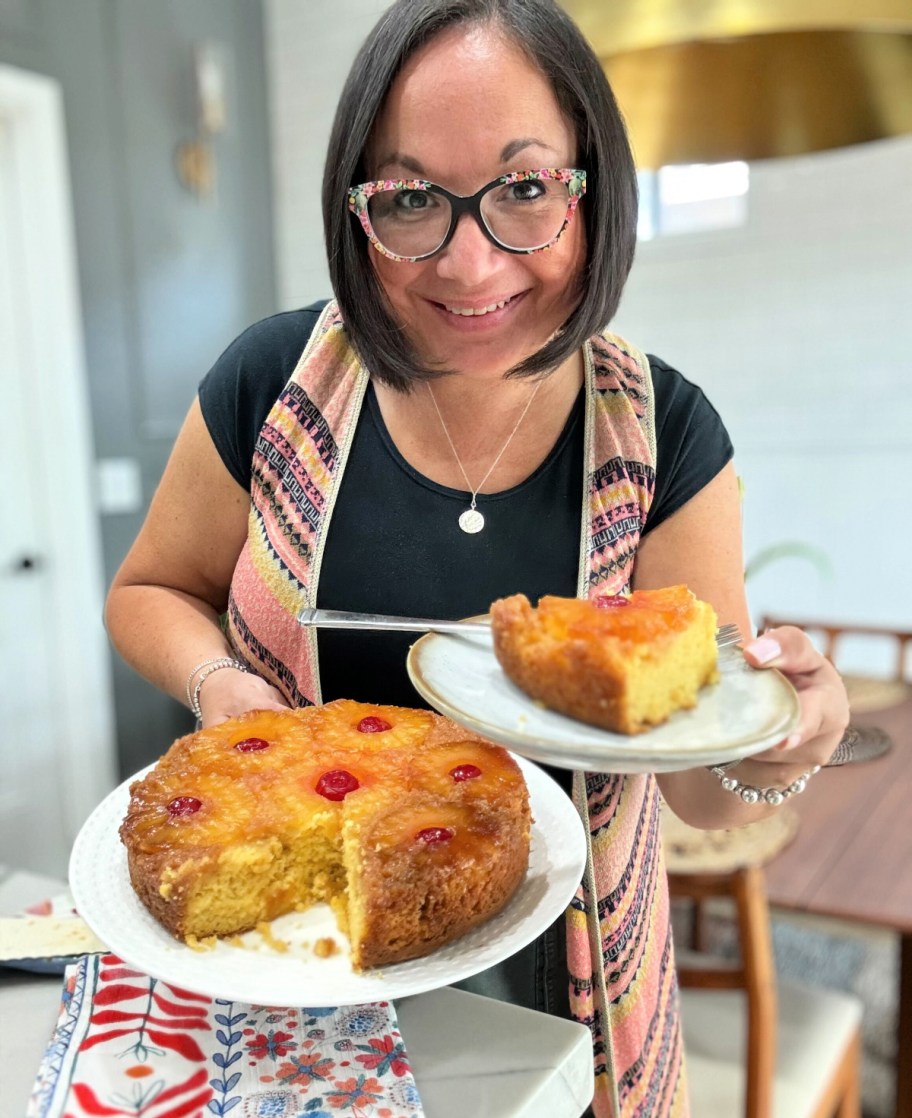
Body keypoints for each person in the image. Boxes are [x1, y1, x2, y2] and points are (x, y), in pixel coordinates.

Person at [105, 1, 850, 1114]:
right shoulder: (271, 381)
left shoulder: (666, 433)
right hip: (280, 964)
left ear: (592, 184)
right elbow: (149, 588)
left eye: (525, 187)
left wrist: (785, 741)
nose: (468, 261)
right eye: (410, 198)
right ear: (356, 207)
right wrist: (224, 689)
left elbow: (701, 786)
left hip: (568, 1003)